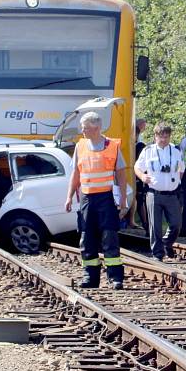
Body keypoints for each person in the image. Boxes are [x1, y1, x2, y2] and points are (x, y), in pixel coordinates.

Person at [64, 112, 127, 290]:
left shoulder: (113, 146)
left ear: (96, 128)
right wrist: (69, 196)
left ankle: (115, 278)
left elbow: (121, 174)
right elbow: (76, 174)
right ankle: (90, 278)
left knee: (109, 237)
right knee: (87, 238)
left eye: (85, 127)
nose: (82, 130)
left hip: (106, 198)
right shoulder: (80, 146)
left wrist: (122, 198)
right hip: (86, 198)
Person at [134, 122, 185, 261]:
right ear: (155, 136)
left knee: (176, 224)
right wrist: (143, 176)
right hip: (154, 193)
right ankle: (158, 254)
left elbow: (181, 168)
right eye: (161, 136)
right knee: (155, 226)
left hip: (172, 194)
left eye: (166, 137)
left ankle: (167, 243)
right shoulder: (148, 150)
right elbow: (137, 167)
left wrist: (176, 181)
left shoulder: (175, 150)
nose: (163, 140)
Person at [130, 118, 148, 230]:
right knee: (139, 200)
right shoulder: (140, 145)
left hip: (136, 176)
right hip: (137, 176)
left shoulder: (138, 145)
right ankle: (145, 224)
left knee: (139, 200)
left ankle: (145, 224)